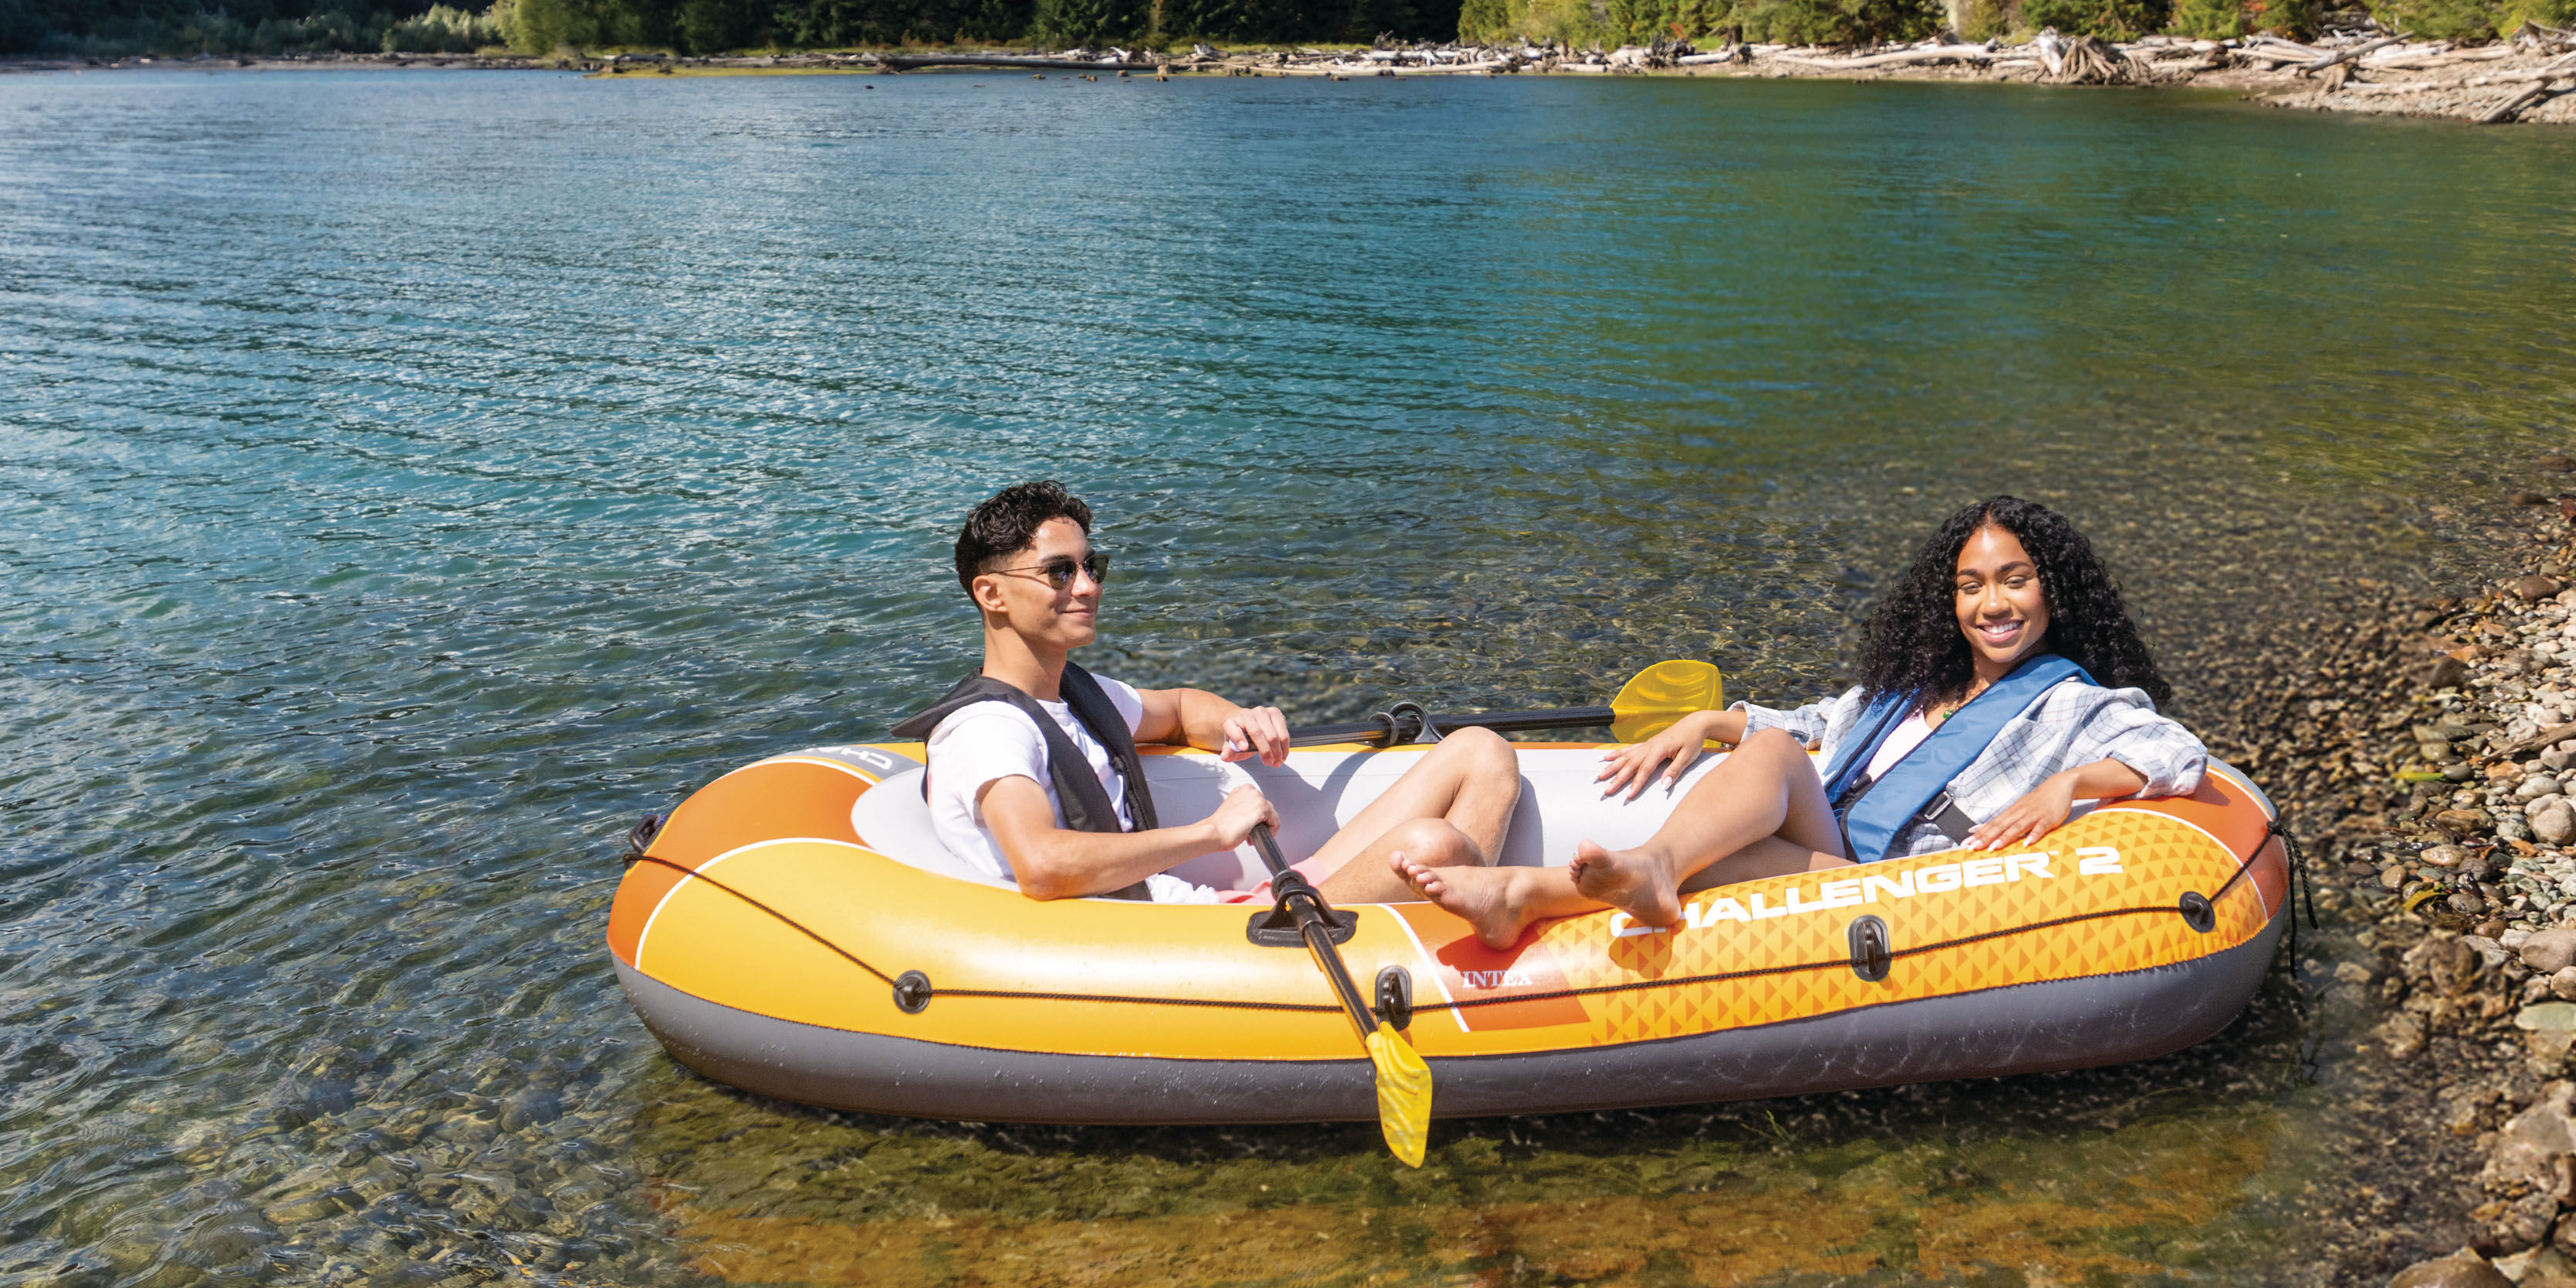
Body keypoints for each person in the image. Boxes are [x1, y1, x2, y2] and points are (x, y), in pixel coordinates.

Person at [1396, 496, 2206, 946]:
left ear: (2052, 591)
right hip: (1829, 854)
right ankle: (1532, 895)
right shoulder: (1914, 687)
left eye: (2015, 580)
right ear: (1950, 600)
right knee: (1749, 807)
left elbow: (2176, 751)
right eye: (1971, 586)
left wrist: (2071, 783)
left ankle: (1619, 874)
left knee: (1774, 761)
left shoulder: (2070, 703)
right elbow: (1820, 720)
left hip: (1901, 889)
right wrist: (1710, 719)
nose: (1992, 603)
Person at [898, 480, 1522, 904]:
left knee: (1481, 751)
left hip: (1233, 910)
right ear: (991, 593)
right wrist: (1213, 832)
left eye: (1092, 566)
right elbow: (1042, 866)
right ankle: (1481, 937)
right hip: (1196, 944)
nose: (1087, 586)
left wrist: (1238, 720)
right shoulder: (989, 731)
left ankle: (1471, 931)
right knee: (1432, 845)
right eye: (1060, 571)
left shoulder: (1074, 694)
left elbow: (1179, 709)